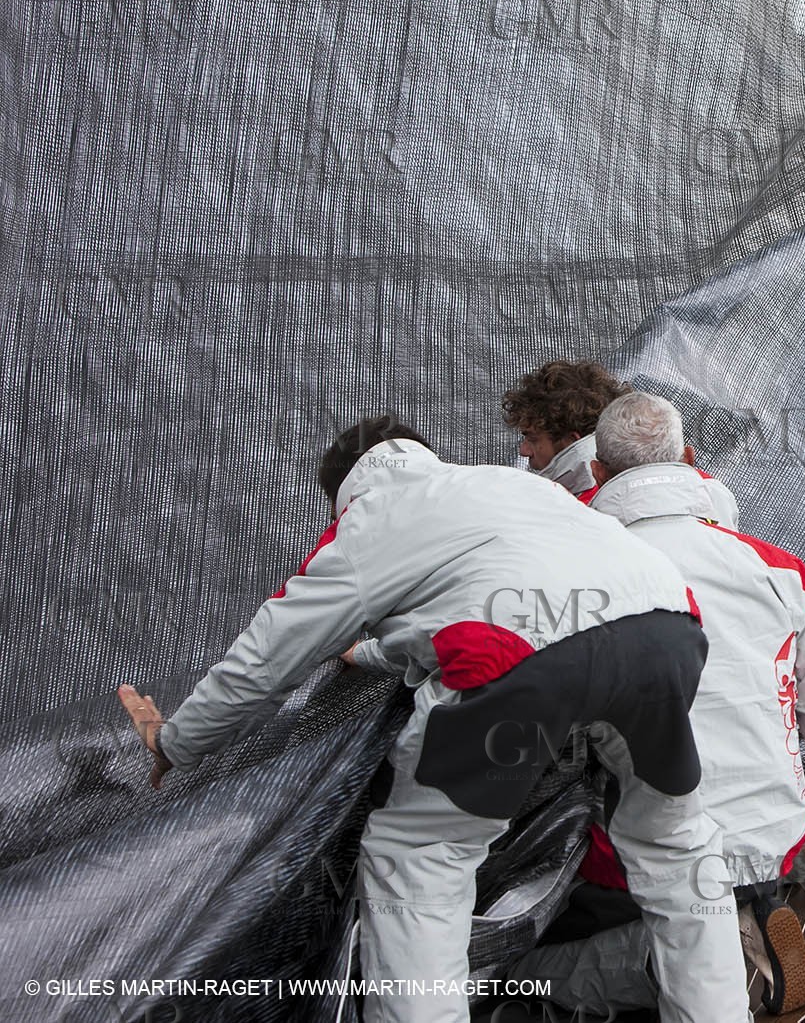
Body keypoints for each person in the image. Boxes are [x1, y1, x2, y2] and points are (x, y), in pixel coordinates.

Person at [117, 416, 749, 1023]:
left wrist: (175, 741)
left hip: (525, 658)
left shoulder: (368, 521)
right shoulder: (505, 485)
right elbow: (490, 592)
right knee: (677, 844)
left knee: (421, 858)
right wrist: (369, 653)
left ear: (343, 495)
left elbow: (268, 657)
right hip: (666, 628)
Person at [508, 392, 805, 1018]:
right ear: (689, 459)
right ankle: (751, 907)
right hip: (774, 841)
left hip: (639, 860)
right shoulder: (776, 568)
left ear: (597, 472)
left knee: (525, 973)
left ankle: (689, 954)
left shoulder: (571, 575)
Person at [502, 358, 740, 527]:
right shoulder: (710, 489)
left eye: (531, 438)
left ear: (571, 441)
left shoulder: (578, 516)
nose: (523, 450)